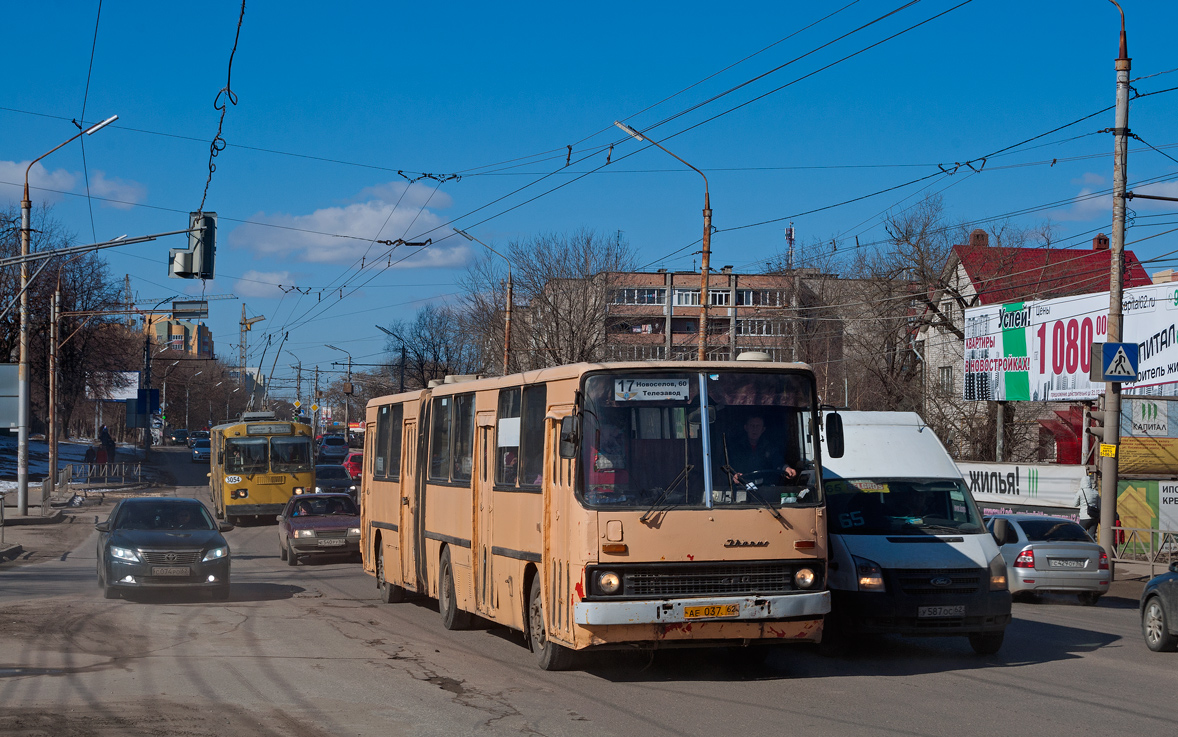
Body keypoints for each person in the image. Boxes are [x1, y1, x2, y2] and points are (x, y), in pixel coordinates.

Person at [726, 415, 797, 485]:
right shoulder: (736, 447)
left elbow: (777, 462)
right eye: (752, 425)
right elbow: (731, 466)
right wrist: (735, 475)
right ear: (746, 428)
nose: (754, 429)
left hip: (766, 488)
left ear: (763, 429)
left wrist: (786, 469)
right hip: (742, 487)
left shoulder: (770, 447)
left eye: (758, 426)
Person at [1074, 471, 1100, 536]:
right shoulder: (1095, 492)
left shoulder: (1080, 492)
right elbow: (1099, 506)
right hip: (1094, 517)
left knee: (1081, 534)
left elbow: (1075, 504)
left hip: (1084, 517)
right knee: (1092, 535)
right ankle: (1091, 546)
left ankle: (1082, 546)